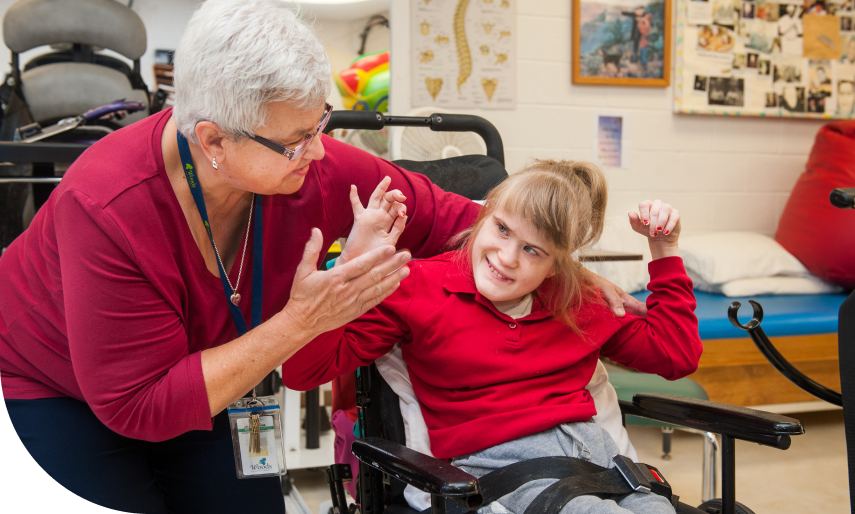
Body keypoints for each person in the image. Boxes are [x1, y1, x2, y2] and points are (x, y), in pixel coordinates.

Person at [0, 1, 638, 511]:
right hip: (59, 389)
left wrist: (559, 267)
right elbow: (138, 404)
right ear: (212, 139)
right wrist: (301, 321)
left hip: (209, 386)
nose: (318, 152)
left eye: (321, 125)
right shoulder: (108, 204)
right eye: (295, 139)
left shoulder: (313, 168)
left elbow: (455, 218)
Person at [283, 160, 703, 514]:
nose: (506, 258)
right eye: (502, 229)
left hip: (602, 457)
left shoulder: (577, 299)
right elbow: (304, 372)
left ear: (557, 265)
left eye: (532, 250)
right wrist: (352, 267)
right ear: (482, 217)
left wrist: (664, 250)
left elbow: (674, 356)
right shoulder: (417, 287)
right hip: (505, 467)